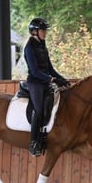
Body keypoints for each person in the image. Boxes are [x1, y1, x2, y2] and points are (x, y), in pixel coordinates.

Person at [24, 17, 70, 156]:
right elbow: (35, 71)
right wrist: (52, 79)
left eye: (44, 31)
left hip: (45, 82)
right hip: (35, 83)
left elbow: (50, 68)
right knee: (38, 110)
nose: (45, 33)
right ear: (34, 32)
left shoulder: (43, 47)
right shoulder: (29, 47)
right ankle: (33, 143)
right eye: (43, 30)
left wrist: (62, 79)